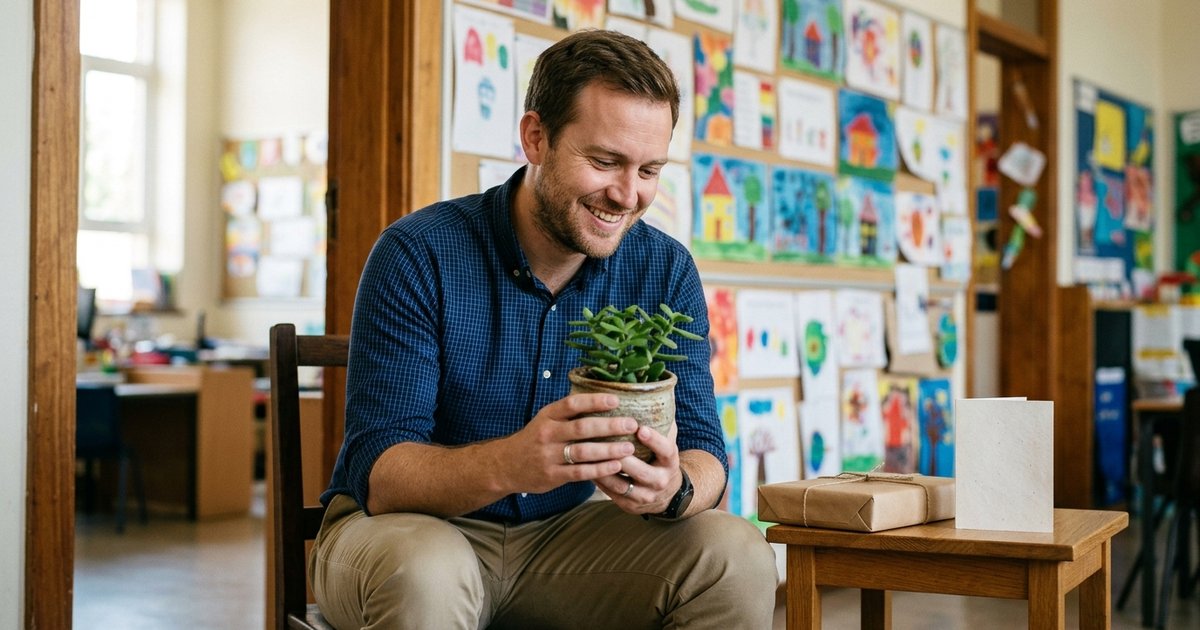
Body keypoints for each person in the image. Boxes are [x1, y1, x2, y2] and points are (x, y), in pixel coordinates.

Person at [310, 29, 777, 629]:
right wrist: (513, 463)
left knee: (736, 552)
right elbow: (381, 474)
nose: (627, 195)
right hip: (404, 534)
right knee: (427, 570)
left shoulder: (664, 268)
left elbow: (707, 450)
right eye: (605, 161)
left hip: (563, 540)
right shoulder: (418, 252)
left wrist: (675, 490)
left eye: (649, 169)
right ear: (536, 138)